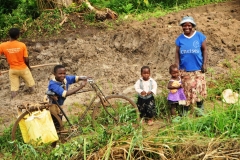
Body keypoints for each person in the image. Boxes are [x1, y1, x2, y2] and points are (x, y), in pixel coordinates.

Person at [175, 16, 207, 116]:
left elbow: (204, 50)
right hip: (185, 69)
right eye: (184, 25)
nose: (187, 27)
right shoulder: (179, 39)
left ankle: (200, 109)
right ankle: (185, 109)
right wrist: (177, 65)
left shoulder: (199, 36)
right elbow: (177, 53)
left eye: (189, 25)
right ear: (182, 27)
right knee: (185, 90)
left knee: (199, 89)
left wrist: (204, 64)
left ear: (192, 26)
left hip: (198, 69)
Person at [0, 28, 35, 99]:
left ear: (9, 35)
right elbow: (26, 59)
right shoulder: (22, 45)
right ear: (17, 36)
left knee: (14, 88)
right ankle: (32, 94)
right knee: (31, 85)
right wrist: (28, 66)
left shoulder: (2, 45)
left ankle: (14, 98)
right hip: (23, 69)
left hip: (12, 70)